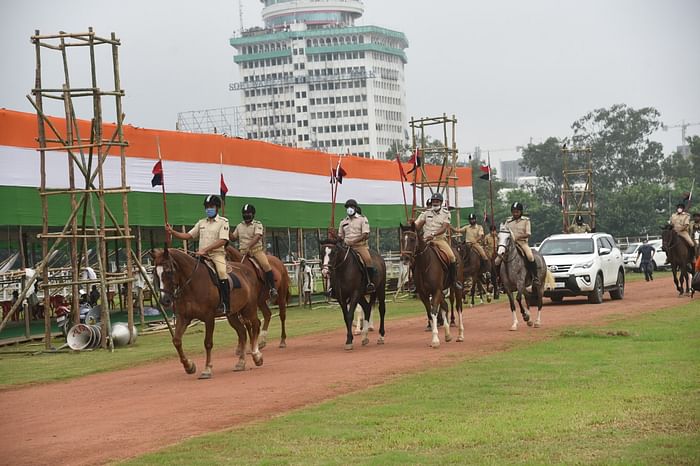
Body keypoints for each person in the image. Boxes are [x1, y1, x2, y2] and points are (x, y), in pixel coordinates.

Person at [167, 195, 231, 313]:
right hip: (201, 255)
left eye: (211, 207)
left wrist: (206, 249)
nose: (208, 209)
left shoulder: (223, 222)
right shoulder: (201, 222)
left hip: (216, 255)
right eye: (206, 207)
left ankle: (225, 303)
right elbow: (188, 236)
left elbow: (223, 240)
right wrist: (173, 232)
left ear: (217, 208)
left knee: (222, 272)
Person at [230, 203, 278, 300]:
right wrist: (226, 230)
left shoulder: (257, 224)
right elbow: (233, 238)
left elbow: (257, 236)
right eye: (245, 213)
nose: (246, 215)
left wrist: (249, 246)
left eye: (248, 213)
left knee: (266, 265)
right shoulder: (239, 226)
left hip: (256, 251)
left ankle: (272, 288)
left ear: (253, 214)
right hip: (242, 253)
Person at [414, 192, 461, 289]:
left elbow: (444, 228)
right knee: (413, 257)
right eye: (433, 201)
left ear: (441, 202)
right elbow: (418, 226)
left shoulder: (446, 213)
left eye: (437, 201)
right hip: (425, 240)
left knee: (452, 257)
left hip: (439, 240)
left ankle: (453, 281)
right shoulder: (426, 213)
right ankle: (415, 282)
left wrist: (433, 234)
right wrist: (412, 225)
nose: (435, 203)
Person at [337, 199, 376, 293]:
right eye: (348, 207)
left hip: (359, 246)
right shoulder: (343, 222)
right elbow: (340, 236)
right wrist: (333, 236)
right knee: (334, 261)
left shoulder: (362, 219)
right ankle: (334, 287)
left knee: (368, 260)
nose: (349, 209)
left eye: (351, 207)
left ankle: (370, 283)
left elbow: (365, 234)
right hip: (346, 247)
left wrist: (354, 241)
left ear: (355, 208)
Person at [504, 201, 540, 287]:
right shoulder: (508, 221)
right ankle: (500, 280)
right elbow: (504, 231)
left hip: (522, 243)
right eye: (513, 212)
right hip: (509, 244)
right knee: (498, 259)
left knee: (530, 257)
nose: (515, 214)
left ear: (521, 212)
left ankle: (535, 277)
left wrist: (516, 237)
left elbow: (528, 233)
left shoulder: (526, 221)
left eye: (517, 212)